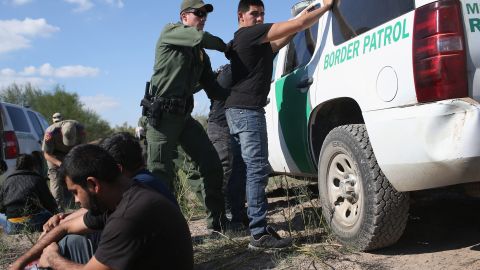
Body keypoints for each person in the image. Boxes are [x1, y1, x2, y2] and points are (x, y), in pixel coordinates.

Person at [225, 0, 334, 249]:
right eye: (254, 14)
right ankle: (259, 234)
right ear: (241, 16)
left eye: (262, 14)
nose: (260, 18)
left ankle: (244, 222)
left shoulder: (252, 42)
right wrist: (326, 5)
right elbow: (296, 24)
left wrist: (305, 16)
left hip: (238, 110)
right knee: (256, 170)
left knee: (243, 169)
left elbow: (286, 35)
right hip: (247, 111)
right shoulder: (249, 34)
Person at [9, 144, 193, 270]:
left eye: (75, 192)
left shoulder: (128, 216)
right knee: (69, 242)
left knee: (57, 256)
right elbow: (65, 226)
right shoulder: (120, 197)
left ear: (93, 185)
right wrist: (18, 263)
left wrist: (53, 259)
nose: (76, 202)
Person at [143, 0, 230, 231]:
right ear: (184, 17)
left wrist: (241, 88)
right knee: (160, 174)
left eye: (205, 15)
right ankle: (162, 231)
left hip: (184, 118)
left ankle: (218, 224)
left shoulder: (201, 56)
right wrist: (228, 47)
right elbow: (201, 38)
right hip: (161, 118)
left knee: (211, 164)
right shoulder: (170, 32)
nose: (203, 18)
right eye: (198, 13)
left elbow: (215, 90)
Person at [41, 132, 179, 235]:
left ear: (117, 168)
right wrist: (64, 218)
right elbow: (94, 211)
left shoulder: (138, 186)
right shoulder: (146, 179)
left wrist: (63, 223)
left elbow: (97, 213)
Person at [0, 154, 58, 234]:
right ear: (33, 166)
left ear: (16, 166)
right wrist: (57, 214)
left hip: (12, 225)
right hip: (34, 222)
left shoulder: (7, 181)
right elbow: (49, 203)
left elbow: (1, 207)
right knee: (49, 215)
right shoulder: (37, 179)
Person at [42, 120, 86, 209]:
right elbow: (47, 154)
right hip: (54, 155)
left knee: (79, 176)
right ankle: (57, 208)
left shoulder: (80, 130)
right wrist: (60, 164)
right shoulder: (51, 132)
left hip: (72, 153)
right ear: (61, 132)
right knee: (55, 180)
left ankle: (82, 205)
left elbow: (83, 149)